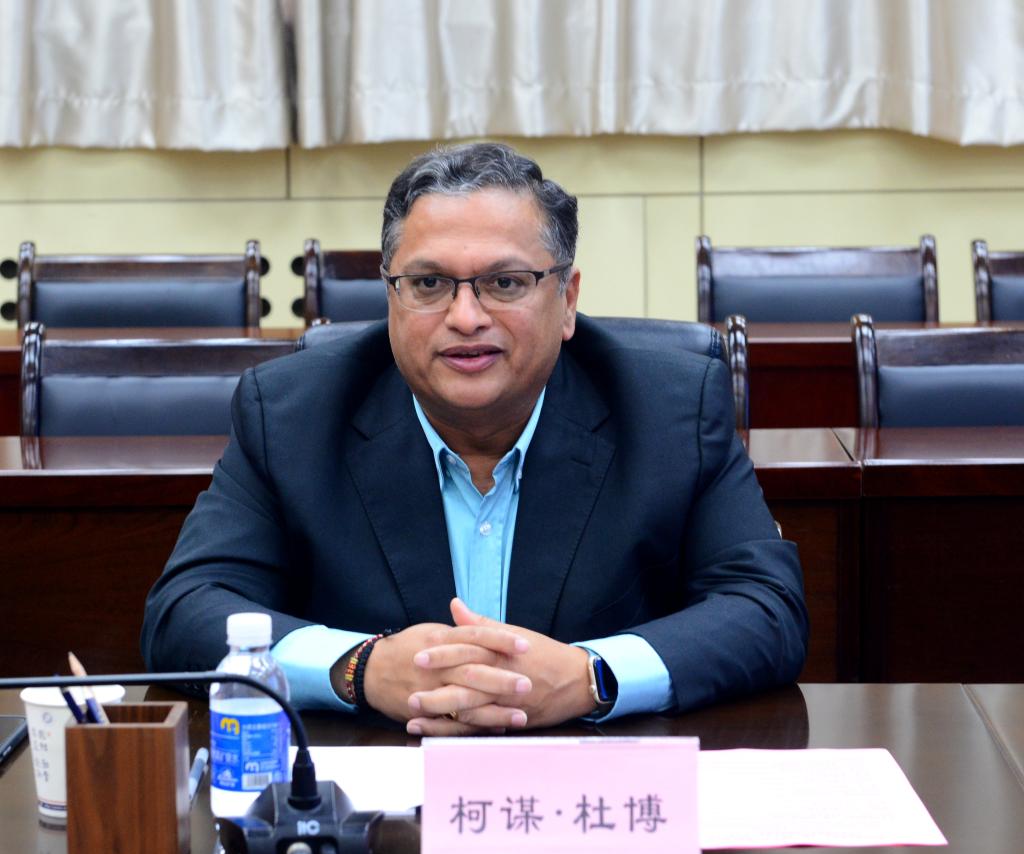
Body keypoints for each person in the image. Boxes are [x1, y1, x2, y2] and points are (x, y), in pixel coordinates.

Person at [142, 142, 807, 735]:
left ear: (567, 300)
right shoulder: (292, 414)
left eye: (505, 283)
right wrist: (359, 667)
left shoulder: (671, 409)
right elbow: (185, 610)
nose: (465, 317)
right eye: (429, 284)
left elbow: (765, 608)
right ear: (391, 297)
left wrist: (590, 676)